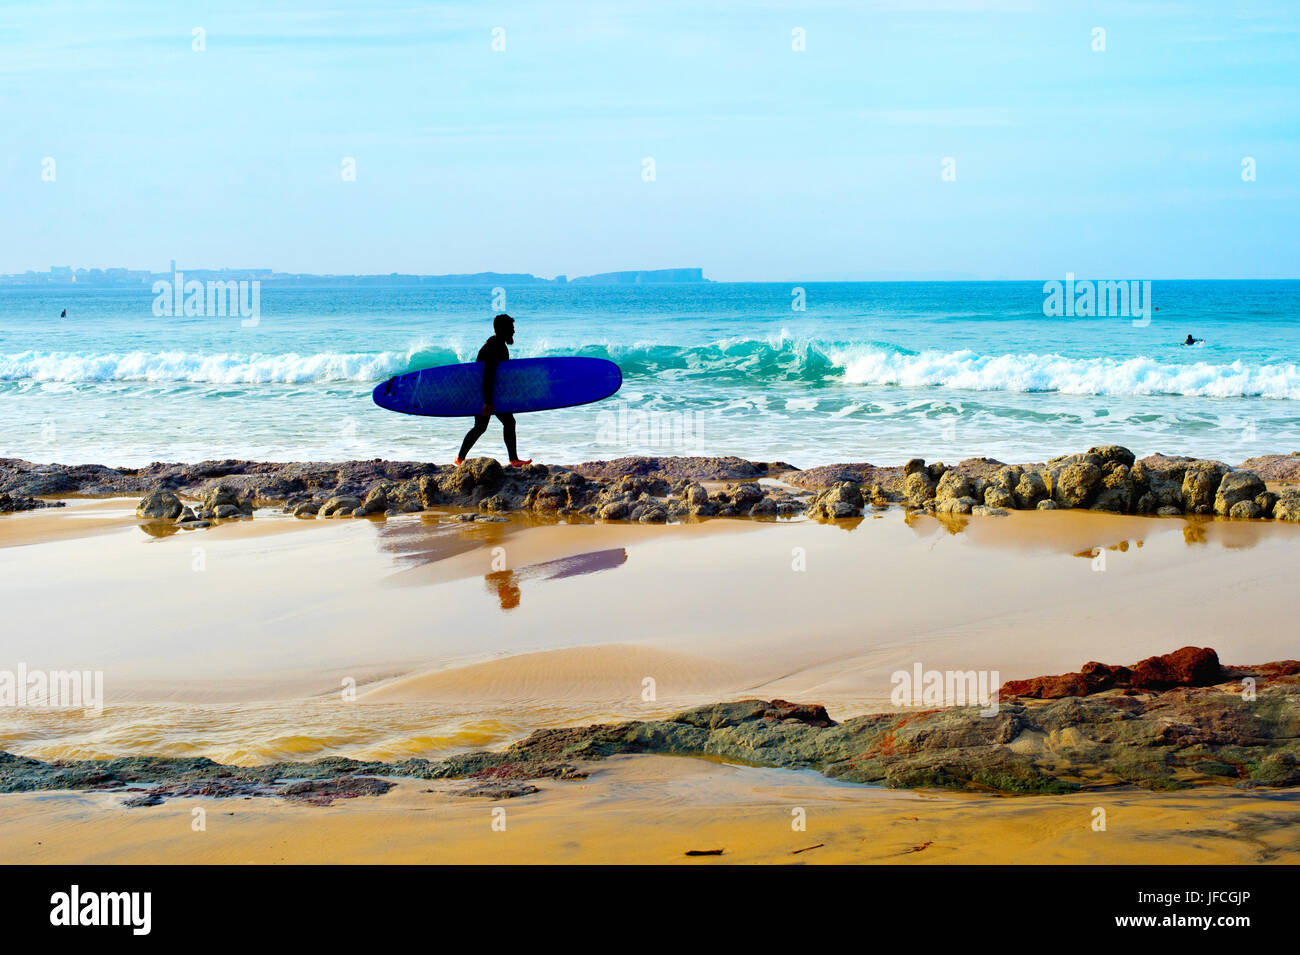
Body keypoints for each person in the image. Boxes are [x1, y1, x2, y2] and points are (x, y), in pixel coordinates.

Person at [455, 313, 532, 467]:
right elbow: (488, 375)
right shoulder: (495, 347)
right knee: (505, 422)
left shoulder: (496, 344)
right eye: (511, 328)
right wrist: (487, 402)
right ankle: (513, 459)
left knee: (482, 426)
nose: (514, 331)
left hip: (486, 393)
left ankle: (460, 459)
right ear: (502, 329)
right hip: (485, 394)